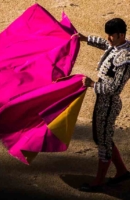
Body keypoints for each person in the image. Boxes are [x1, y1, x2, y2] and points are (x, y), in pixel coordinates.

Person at [74, 18, 130, 192]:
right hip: (103, 101)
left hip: (109, 102)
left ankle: (99, 181)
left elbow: (114, 88)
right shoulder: (119, 45)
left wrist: (92, 85)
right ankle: (121, 171)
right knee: (101, 138)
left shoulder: (126, 58)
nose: (108, 38)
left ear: (120, 34)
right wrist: (85, 38)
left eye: (111, 35)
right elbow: (105, 45)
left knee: (103, 140)